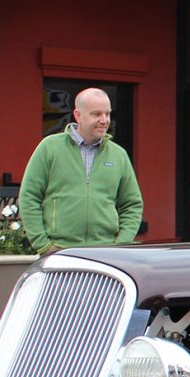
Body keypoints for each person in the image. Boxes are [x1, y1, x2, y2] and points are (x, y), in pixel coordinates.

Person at [18, 87, 143, 253]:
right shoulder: (50, 147)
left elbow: (132, 205)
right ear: (78, 116)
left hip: (106, 253)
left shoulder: (118, 155)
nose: (104, 120)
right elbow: (29, 197)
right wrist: (43, 245)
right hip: (60, 251)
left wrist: (120, 244)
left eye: (107, 114)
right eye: (96, 114)